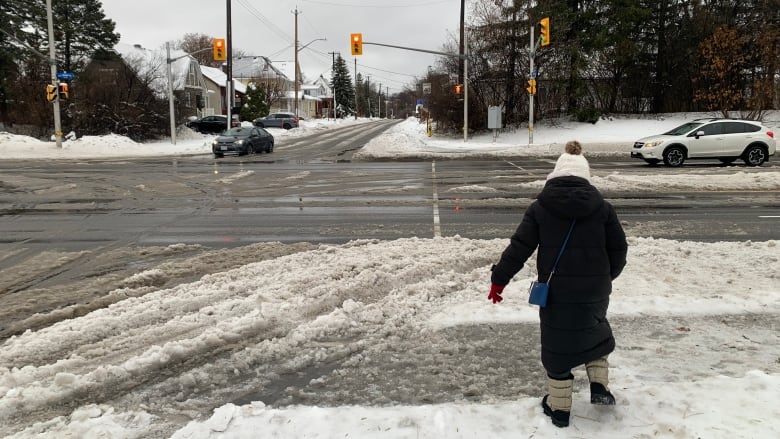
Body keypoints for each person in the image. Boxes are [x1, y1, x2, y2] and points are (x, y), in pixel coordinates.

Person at [488, 140, 628, 428]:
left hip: (557, 293)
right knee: (595, 333)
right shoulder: (603, 208)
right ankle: (599, 386)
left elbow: (519, 247)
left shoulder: (540, 208)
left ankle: (560, 410)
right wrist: (605, 277)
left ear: (555, 174)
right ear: (585, 175)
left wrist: (498, 281)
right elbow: (619, 250)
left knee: (557, 347)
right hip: (596, 290)